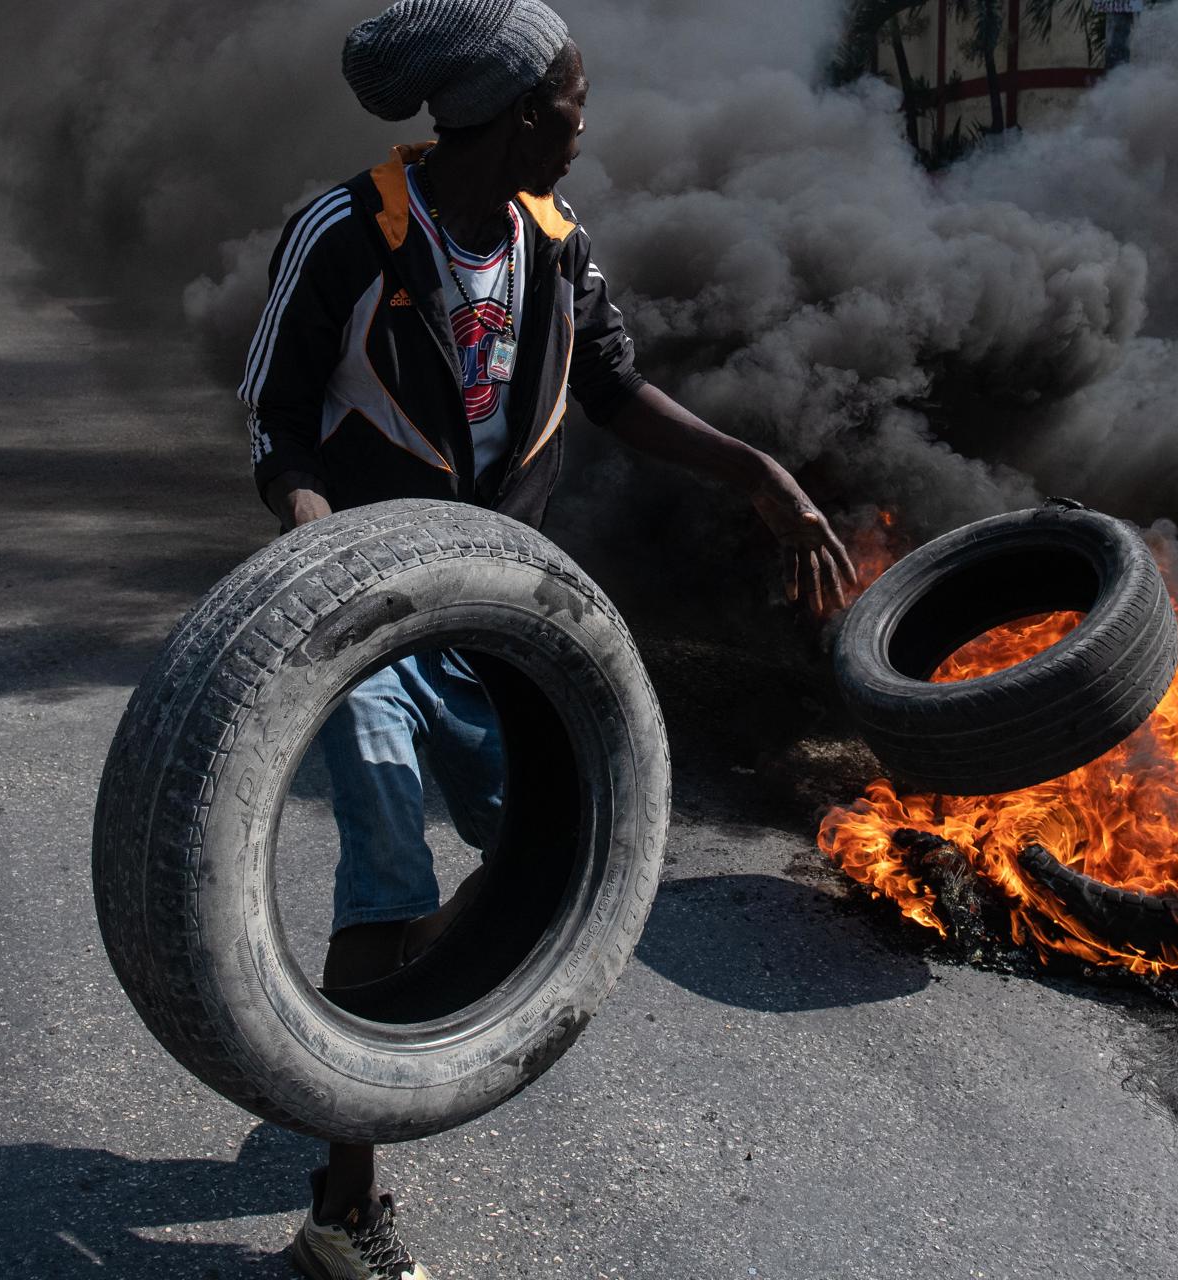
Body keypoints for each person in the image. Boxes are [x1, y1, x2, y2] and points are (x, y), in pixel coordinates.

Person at [239, 2, 856, 1276]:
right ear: (518, 112)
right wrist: (319, 554)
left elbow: (617, 389)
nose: (586, 120)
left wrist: (761, 474)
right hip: (373, 618)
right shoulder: (349, 234)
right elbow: (277, 425)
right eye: (574, 98)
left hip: (509, 611)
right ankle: (341, 1213)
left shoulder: (558, 248)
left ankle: (362, 1019)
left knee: (548, 854)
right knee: (387, 861)